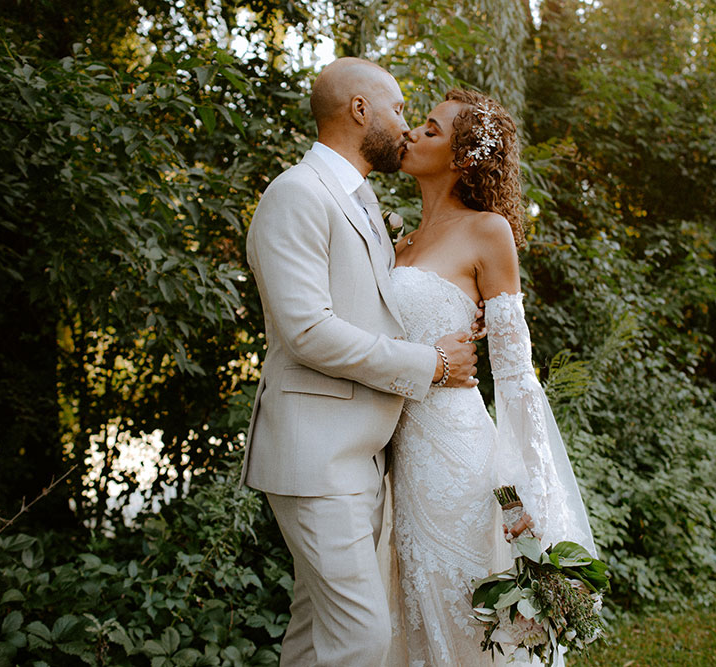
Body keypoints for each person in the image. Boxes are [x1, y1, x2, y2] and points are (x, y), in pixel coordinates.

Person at [241, 59, 485, 666]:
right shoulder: (296, 194)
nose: (405, 125)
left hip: (363, 455)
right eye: (399, 109)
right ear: (359, 110)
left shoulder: (363, 201)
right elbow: (308, 331)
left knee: (313, 635)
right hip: (317, 455)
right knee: (363, 639)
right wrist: (428, 362)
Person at [385, 89, 597, 665]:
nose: (412, 134)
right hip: (393, 458)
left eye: (430, 130)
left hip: (458, 457)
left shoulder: (488, 232)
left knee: (467, 615)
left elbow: (514, 373)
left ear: (461, 159)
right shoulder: (393, 240)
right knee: (415, 617)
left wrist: (526, 484)